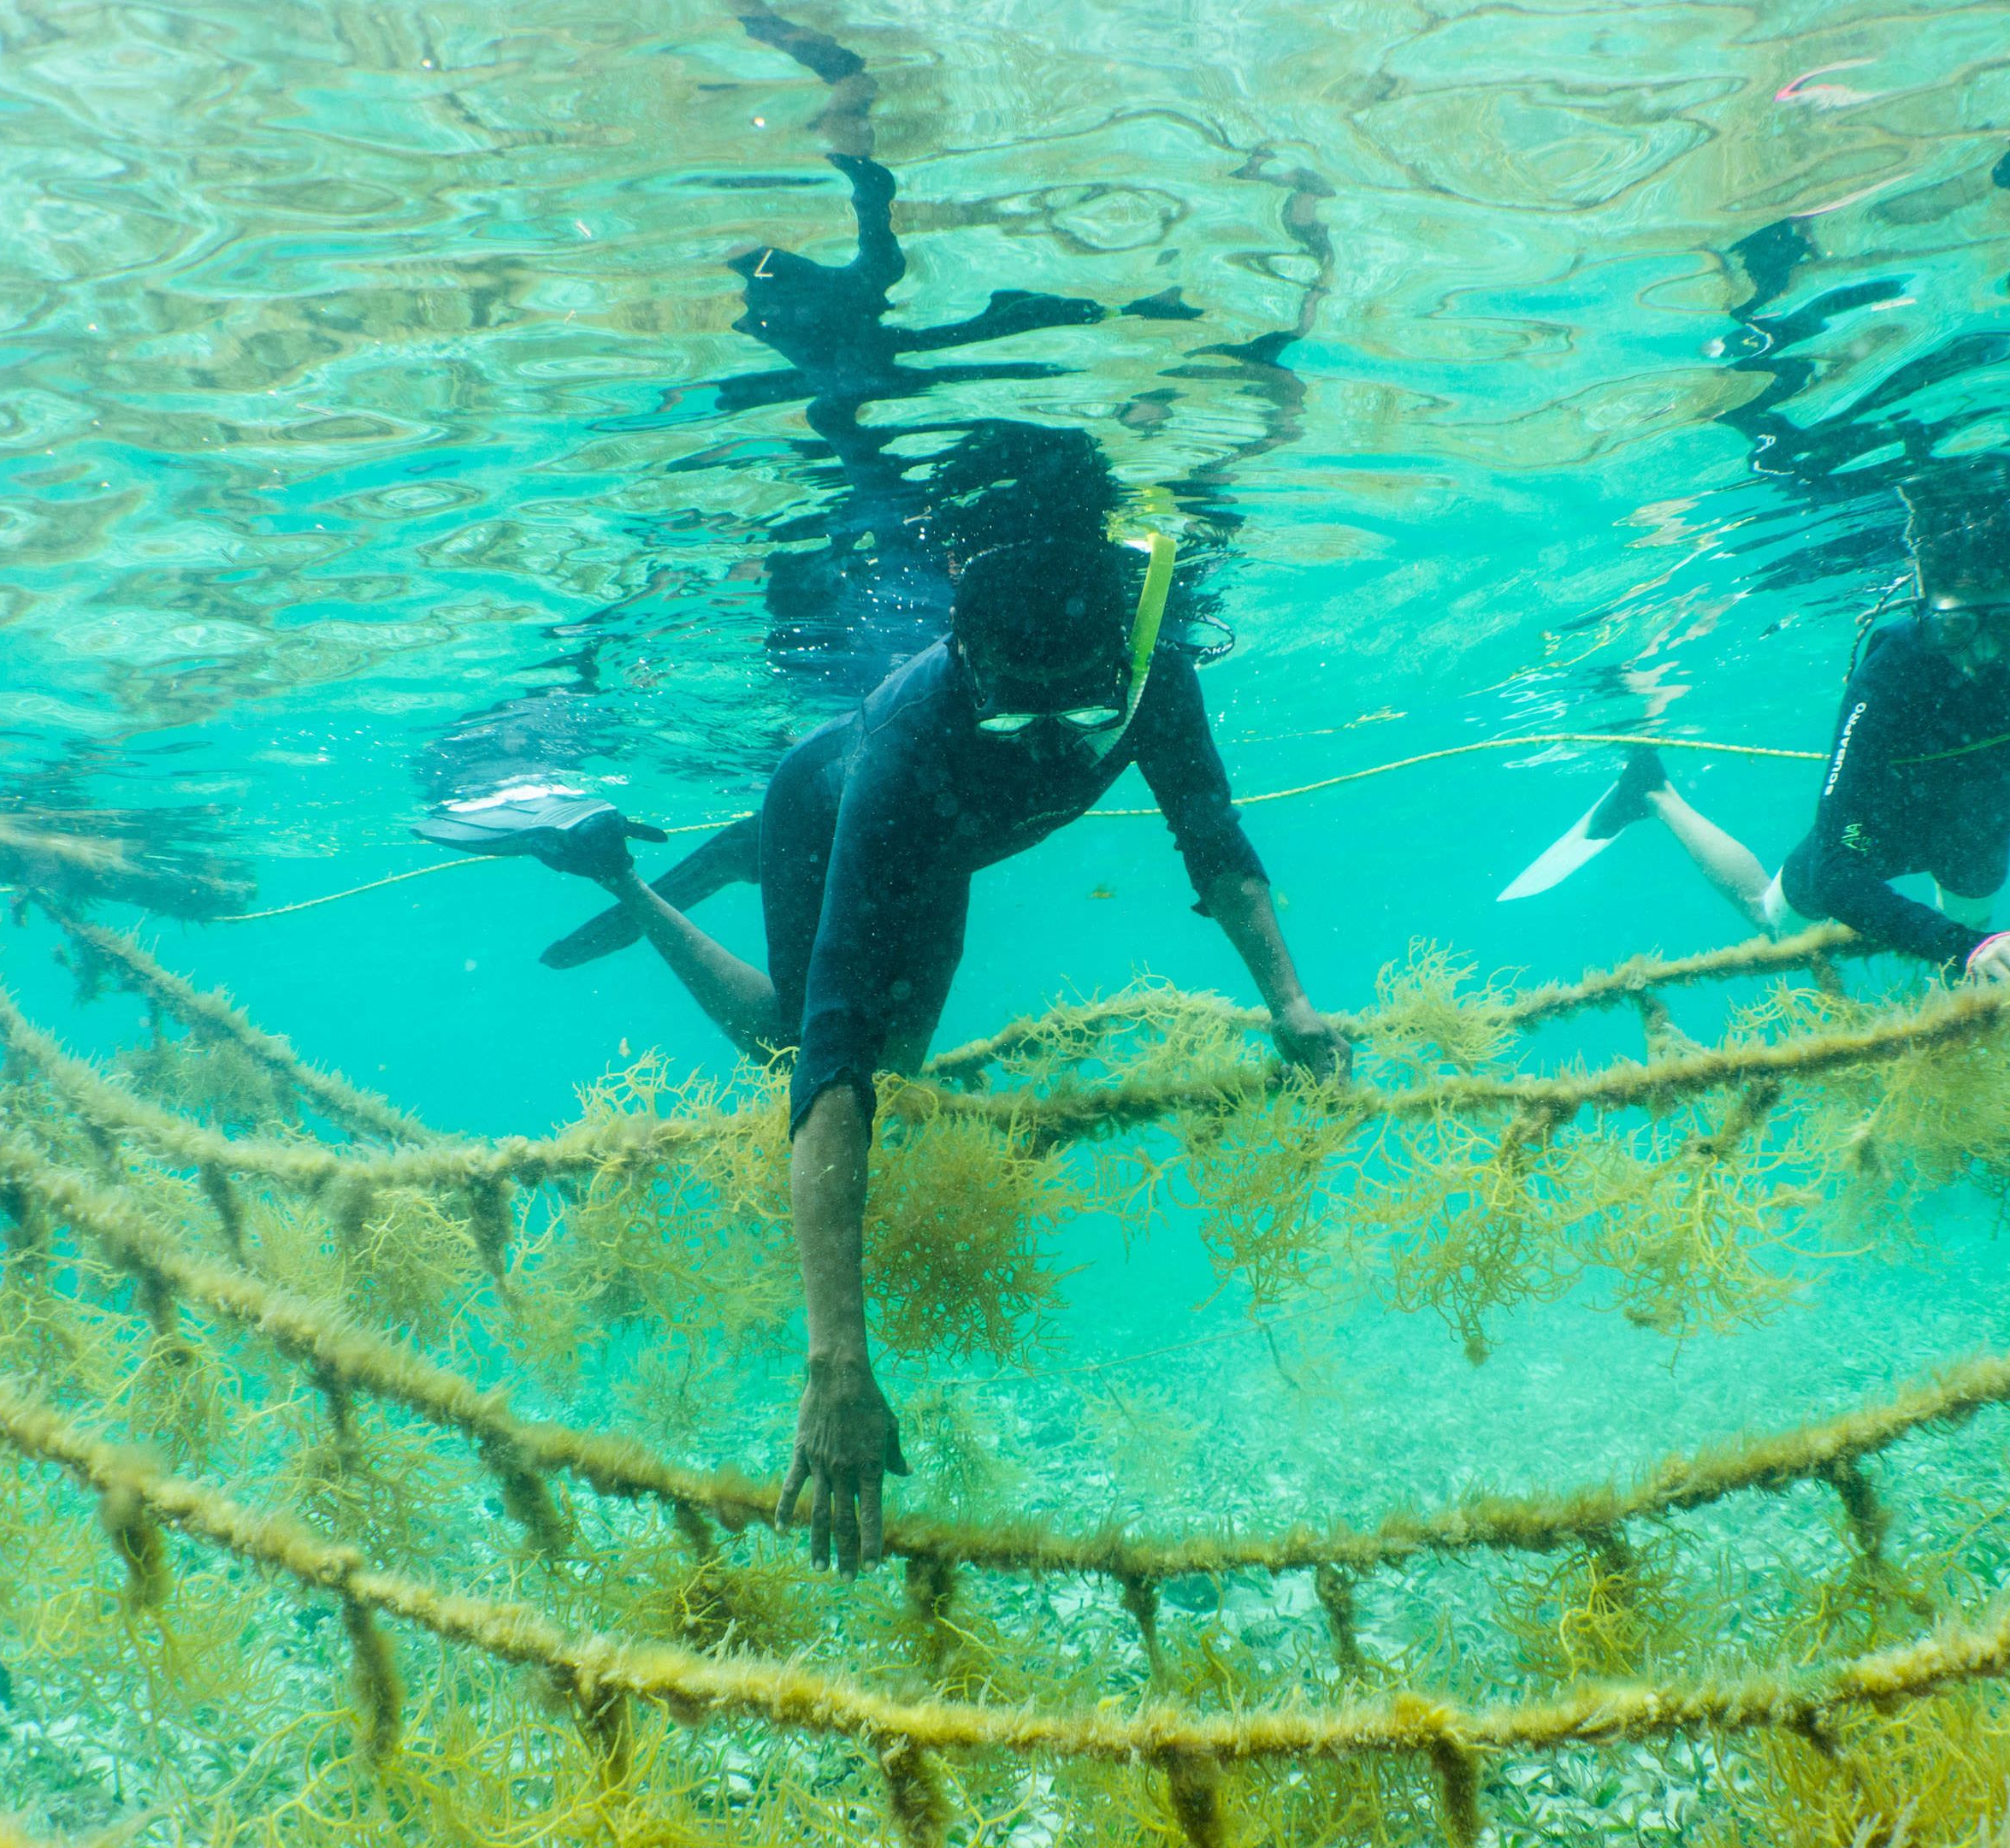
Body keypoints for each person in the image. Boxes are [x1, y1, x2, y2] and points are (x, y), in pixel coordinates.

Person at [424, 421, 1345, 1573]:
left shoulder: (1152, 666)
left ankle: (721, 854)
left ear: (1120, 652)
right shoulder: (915, 743)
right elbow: (829, 1067)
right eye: (1018, 718)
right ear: (968, 663)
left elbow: (1213, 840)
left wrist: (1294, 1006)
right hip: (847, 809)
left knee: (895, 1065)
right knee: (795, 1045)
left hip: (960, 842)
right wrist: (837, 1364)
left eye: (1082, 710)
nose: (1054, 740)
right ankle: (619, 861)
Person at [1530, 454, 2010, 977]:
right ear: (1930, 609)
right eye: (1960, 626)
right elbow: (1838, 870)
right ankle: (1653, 791)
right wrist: (1966, 948)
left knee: (1979, 942)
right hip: (1873, 833)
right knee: (1773, 915)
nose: (1983, 653)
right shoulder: (1895, 662)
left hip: (1984, 832)